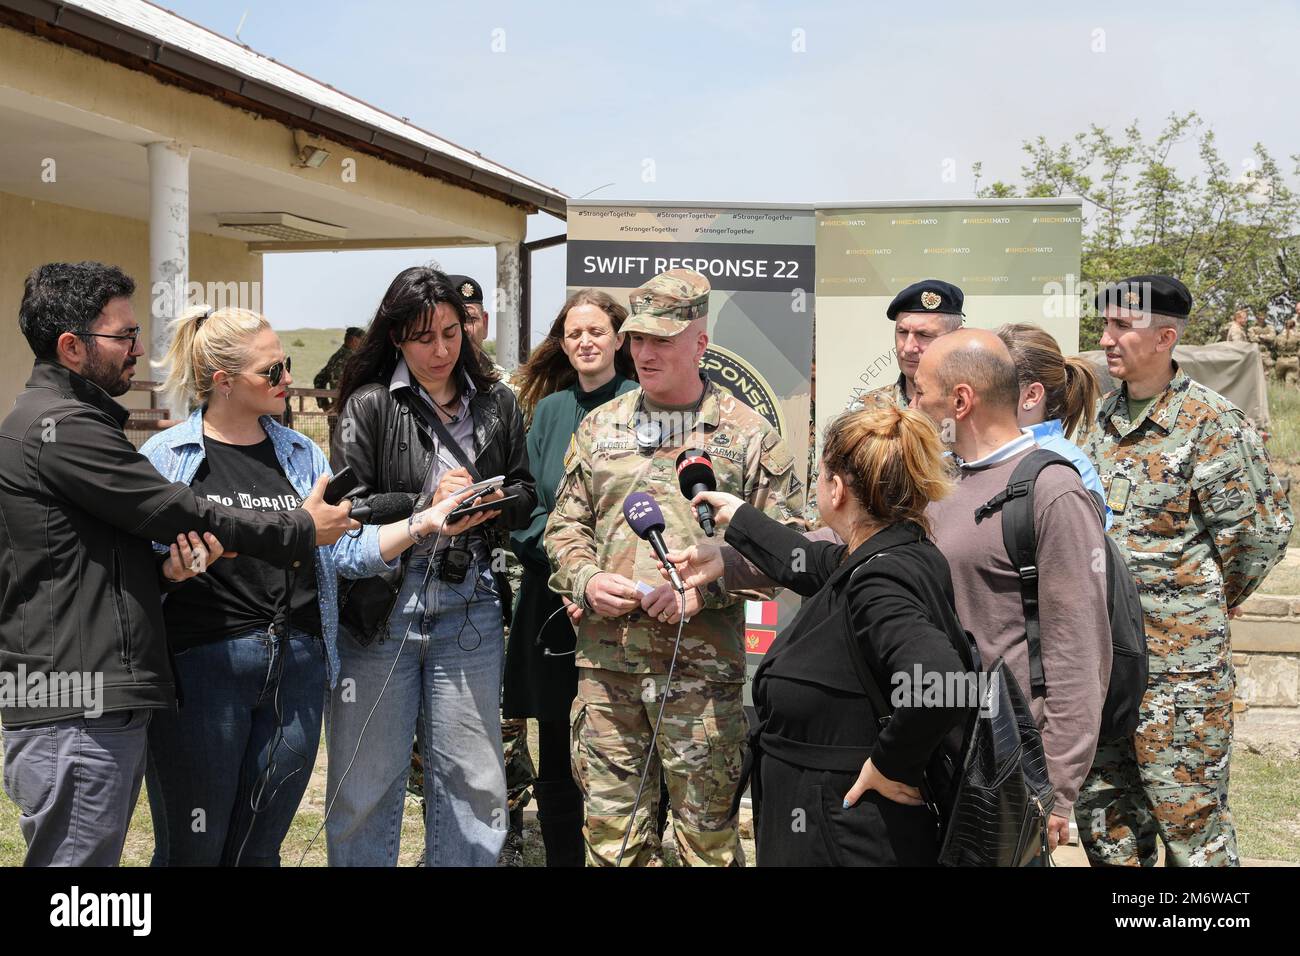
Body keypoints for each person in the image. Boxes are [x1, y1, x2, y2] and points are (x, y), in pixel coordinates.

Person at [702, 329, 1113, 863]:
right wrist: (729, 557)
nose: (911, 403)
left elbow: (1079, 651)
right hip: (933, 758)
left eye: (920, 393)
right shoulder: (940, 481)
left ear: (960, 402)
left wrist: (1054, 790)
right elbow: (839, 554)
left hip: (993, 768)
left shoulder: (1049, 492)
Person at [0, 262, 356, 867]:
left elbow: (104, 556)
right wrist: (299, 528)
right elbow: (184, 512)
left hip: (96, 694)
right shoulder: (64, 430)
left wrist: (164, 574)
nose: (138, 348)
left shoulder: (69, 425)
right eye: (123, 336)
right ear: (71, 347)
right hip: (79, 703)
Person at [140, 305, 493, 866]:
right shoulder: (167, 457)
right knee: (194, 848)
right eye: (271, 372)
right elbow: (139, 564)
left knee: (260, 848)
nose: (286, 379)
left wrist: (425, 521)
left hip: (297, 668)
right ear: (223, 381)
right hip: (203, 671)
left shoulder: (300, 453)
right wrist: (170, 570)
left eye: (286, 365)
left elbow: (345, 549)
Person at [545, 268, 805, 867]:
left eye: (662, 340)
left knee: (707, 849)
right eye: (637, 339)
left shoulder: (749, 438)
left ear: (700, 343)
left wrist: (705, 591)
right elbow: (564, 526)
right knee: (613, 846)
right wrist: (586, 578)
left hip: (701, 683)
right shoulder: (599, 425)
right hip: (607, 674)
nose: (644, 353)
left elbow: (790, 553)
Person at [665, 405, 976, 865]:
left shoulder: (880, 577)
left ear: (836, 488)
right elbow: (812, 564)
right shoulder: (888, 553)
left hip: (843, 834)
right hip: (832, 825)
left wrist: (891, 763)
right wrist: (741, 518)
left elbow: (943, 684)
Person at [1077, 275, 1293, 867]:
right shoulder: (1097, 420)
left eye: (1123, 326)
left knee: (1189, 823)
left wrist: (1198, 604)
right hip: (1106, 661)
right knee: (1106, 817)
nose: (1108, 338)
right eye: (1106, 325)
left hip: (1180, 672)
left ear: (1165, 336)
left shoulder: (1210, 423)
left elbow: (1259, 537)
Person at [326, 265, 537, 867]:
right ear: (395, 337)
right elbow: (347, 508)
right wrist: (428, 501)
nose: (442, 350)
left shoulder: (496, 400)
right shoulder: (368, 404)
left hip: (469, 598)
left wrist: (489, 502)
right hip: (382, 606)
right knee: (366, 782)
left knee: (475, 783)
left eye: (452, 333)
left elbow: (526, 492)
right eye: (424, 338)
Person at [503, 288, 638, 866]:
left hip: (628, 608)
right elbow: (526, 506)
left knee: (622, 751)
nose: (585, 341)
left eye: (597, 331)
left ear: (619, 341)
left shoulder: (643, 405)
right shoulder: (552, 411)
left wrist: (605, 586)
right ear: (562, 343)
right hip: (553, 604)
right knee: (556, 745)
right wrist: (572, 576)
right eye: (574, 333)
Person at [995, 322, 1111, 527]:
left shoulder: (1066, 464)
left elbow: (1077, 550)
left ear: (1031, 395)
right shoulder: (976, 450)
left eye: (992, 380)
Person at [854, 279, 964, 410]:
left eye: (924, 335)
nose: (908, 348)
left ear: (956, 338)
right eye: (902, 332)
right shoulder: (866, 411)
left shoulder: (977, 410)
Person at [314, 326, 364, 410]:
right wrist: (326, 405)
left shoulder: (337, 357)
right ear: (354, 340)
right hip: (347, 412)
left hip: (341, 411)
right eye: (362, 340)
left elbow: (319, 379)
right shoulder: (350, 359)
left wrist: (324, 404)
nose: (364, 343)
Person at [1277, 316, 1300, 388]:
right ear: (1294, 326)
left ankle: (1279, 397)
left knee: (1279, 383)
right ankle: (1289, 396)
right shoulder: (1297, 336)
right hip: (1293, 360)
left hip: (1280, 360)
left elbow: (1275, 345)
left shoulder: (1279, 336)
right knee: (1290, 383)